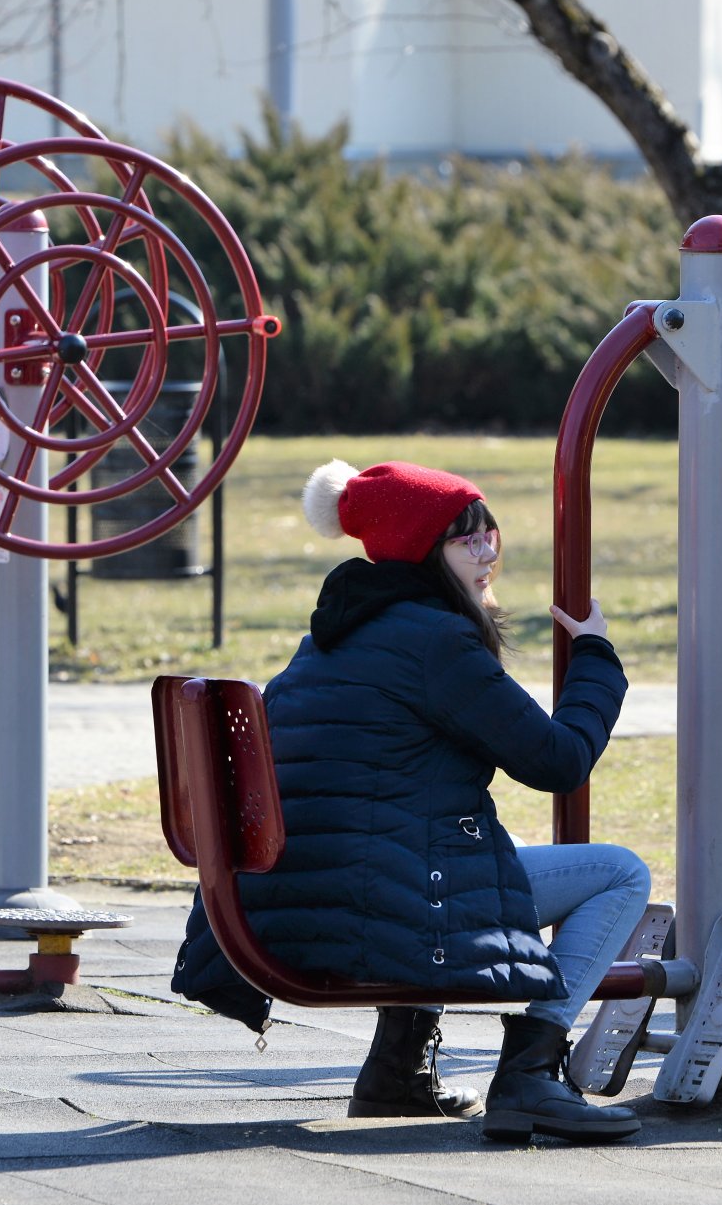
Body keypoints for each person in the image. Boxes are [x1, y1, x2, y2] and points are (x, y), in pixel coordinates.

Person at [173, 460, 652, 1145]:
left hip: (286, 905)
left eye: (489, 533)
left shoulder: (329, 639)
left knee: (443, 844)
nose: (486, 552)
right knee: (619, 872)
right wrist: (597, 658)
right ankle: (532, 1069)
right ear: (423, 552)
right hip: (370, 906)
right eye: (465, 539)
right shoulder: (435, 641)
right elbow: (558, 761)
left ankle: (397, 1068)